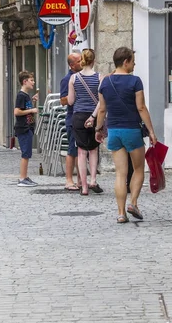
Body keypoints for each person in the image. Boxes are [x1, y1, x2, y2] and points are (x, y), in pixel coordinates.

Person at [96, 47, 157, 223]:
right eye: (132, 61)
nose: (134, 64)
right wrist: (151, 131)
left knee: (120, 174)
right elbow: (141, 108)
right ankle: (134, 203)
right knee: (138, 170)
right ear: (126, 62)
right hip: (131, 131)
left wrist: (98, 130)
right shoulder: (135, 81)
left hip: (114, 132)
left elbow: (102, 109)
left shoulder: (105, 83)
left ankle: (121, 213)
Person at [67, 49, 103, 196]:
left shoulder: (74, 78)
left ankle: (84, 187)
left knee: (81, 151)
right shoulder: (100, 77)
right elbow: (102, 101)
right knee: (93, 149)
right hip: (94, 116)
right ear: (93, 61)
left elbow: (70, 101)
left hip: (79, 116)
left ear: (81, 60)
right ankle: (93, 179)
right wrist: (93, 116)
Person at [60, 52, 82, 191]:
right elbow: (62, 100)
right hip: (72, 117)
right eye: (79, 61)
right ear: (72, 65)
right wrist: (74, 95)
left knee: (82, 150)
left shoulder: (82, 77)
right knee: (72, 150)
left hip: (81, 117)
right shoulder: (67, 79)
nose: (82, 62)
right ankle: (69, 180)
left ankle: (81, 179)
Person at [14, 70, 39, 187]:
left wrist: (32, 102)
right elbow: (17, 111)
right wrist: (32, 110)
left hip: (28, 127)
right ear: (25, 81)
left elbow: (25, 110)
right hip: (23, 128)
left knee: (27, 153)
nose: (33, 83)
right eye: (31, 80)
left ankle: (25, 176)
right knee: (25, 154)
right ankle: (22, 178)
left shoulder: (26, 96)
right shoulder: (21, 95)